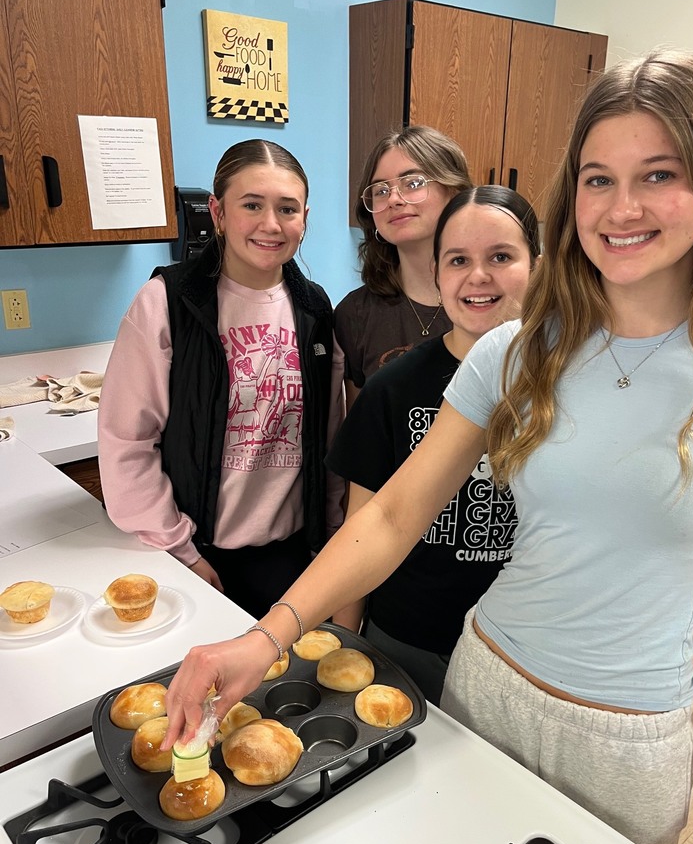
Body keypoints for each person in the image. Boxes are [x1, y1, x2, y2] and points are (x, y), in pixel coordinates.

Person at [162, 50, 693, 844]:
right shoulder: (517, 351)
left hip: (631, 744)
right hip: (481, 692)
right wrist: (269, 637)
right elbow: (393, 515)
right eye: (598, 179)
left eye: (658, 174)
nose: (622, 208)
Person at [99, 139, 345, 618]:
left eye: (287, 209)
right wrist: (183, 552)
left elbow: (329, 439)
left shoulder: (316, 309)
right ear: (218, 212)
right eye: (251, 204)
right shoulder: (166, 304)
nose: (270, 224)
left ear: (305, 219)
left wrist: (330, 536)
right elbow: (126, 441)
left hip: (294, 558)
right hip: (196, 556)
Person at [328, 186, 540, 703]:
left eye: (501, 257)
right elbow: (364, 524)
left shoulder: (570, 382)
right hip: (406, 639)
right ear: (438, 275)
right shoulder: (392, 387)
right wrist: (344, 643)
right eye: (458, 260)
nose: (478, 276)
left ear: (538, 264)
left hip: (526, 648)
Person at [334, 126, 472, 405]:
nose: (395, 199)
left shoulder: (490, 300)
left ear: (455, 192)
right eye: (381, 190)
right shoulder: (354, 315)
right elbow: (362, 428)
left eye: (414, 183)